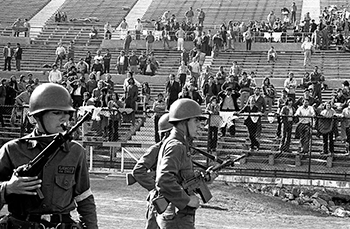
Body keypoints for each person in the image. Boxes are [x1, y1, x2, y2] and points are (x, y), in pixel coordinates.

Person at [0, 83, 98, 228]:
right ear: (36, 117)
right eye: (56, 113)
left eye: (67, 113)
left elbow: (84, 198)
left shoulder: (75, 151)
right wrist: (8, 188)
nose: (64, 118)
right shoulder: (12, 149)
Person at [155, 98, 217, 229]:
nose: (199, 125)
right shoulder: (176, 146)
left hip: (178, 215)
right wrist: (187, 200)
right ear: (183, 122)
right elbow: (164, 179)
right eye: (195, 120)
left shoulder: (180, 144)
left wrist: (203, 180)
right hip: (177, 217)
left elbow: (179, 178)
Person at [132, 113, 173, 229]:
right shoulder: (156, 149)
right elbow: (138, 171)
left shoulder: (178, 150)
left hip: (174, 198)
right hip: (159, 199)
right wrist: (156, 186)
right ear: (166, 133)